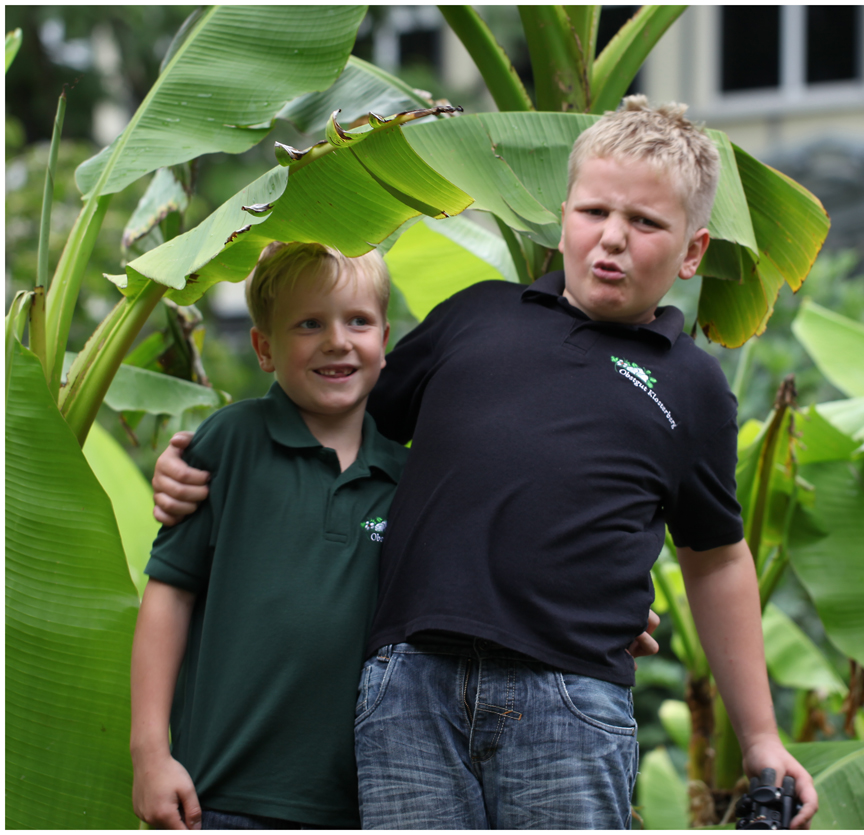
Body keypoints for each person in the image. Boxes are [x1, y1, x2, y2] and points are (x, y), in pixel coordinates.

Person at [152, 97, 818, 829]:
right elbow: (338, 426)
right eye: (595, 211)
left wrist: (760, 736)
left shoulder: (692, 387)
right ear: (562, 215)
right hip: (409, 689)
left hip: (570, 699)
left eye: (647, 223)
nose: (613, 239)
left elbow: (717, 558)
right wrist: (193, 468)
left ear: (693, 251)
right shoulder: (477, 317)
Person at [131, 242, 408, 830]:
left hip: (358, 805)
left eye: (357, 321)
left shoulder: (407, 478)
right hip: (218, 794)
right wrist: (150, 754)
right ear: (264, 348)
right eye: (309, 324)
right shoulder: (232, 442)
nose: (337, 340)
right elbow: (168, 595)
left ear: (384, 340)